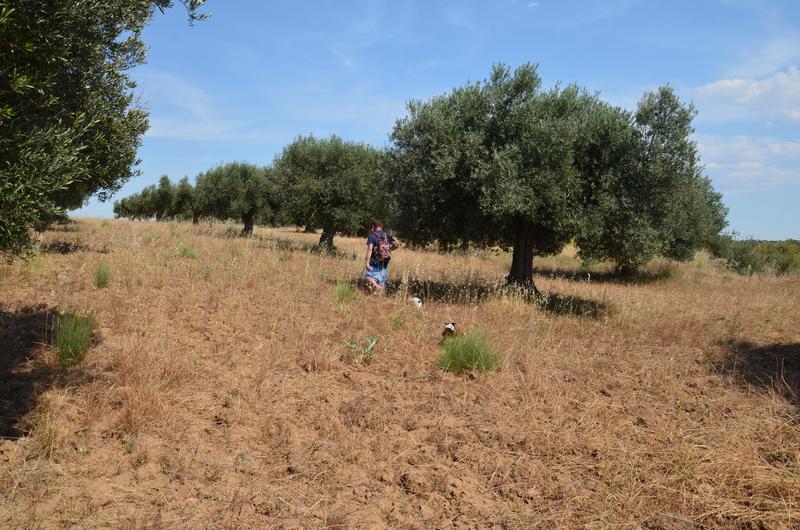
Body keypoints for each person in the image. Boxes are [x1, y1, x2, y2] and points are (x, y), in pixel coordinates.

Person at [365, 220, 398, 294]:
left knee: (368, 277)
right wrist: (388, 250)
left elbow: (370, 248)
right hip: (385, 260)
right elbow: (396, 245)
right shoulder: (387, 235)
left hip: (374, 260)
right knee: (382, 281)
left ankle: (376, 286)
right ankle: (378, 294)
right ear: (382, 226)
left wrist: (367, 262)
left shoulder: (372, 235)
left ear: (373, 227)